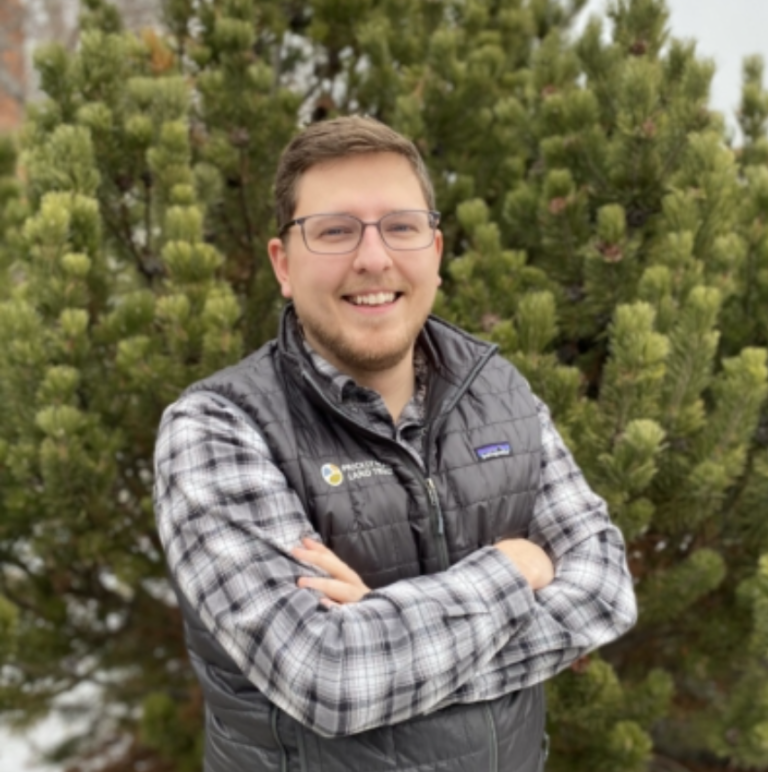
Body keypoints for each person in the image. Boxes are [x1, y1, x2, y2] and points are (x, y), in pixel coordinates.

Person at [153, 116, 637, 772]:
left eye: (400, 226)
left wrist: (382, 628)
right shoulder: (216, 429)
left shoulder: (497, 391)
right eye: (334, 231)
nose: (373, 258)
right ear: (283, 265)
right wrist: (517, 568)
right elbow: (328, 679)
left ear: (434, 251)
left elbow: (606, 588)